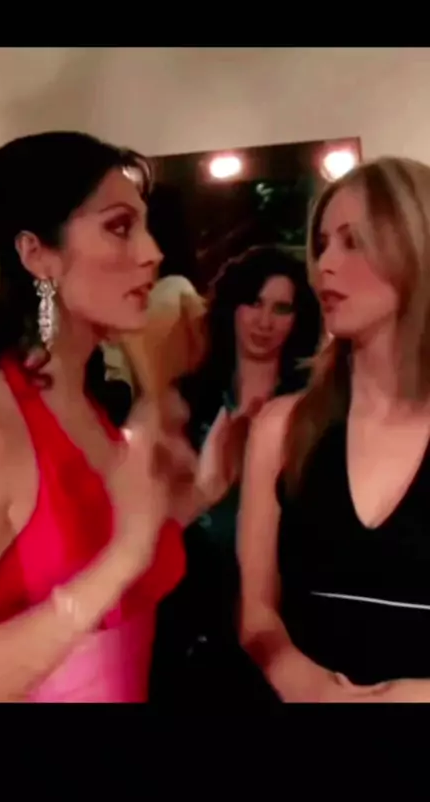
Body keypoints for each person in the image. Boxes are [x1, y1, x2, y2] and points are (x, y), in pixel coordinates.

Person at [0, 131, 196, 703]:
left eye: (145, 226)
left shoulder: (87, 405)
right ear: (37, 254)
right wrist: (123, 557)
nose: (153, 252)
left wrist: (187, 501)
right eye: (120, 227)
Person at [239, 156, 430, 703]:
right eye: (322, 244)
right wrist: (305, 683)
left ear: (415, 250)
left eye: (353, 242)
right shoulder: (281, 429)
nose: (324, 264)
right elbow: (256, 613)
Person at [150, 244, 320, 706]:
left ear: (300, 319)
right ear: (232, 307)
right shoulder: (185, 399)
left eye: (281, 308)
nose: (264, 322)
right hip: (187, 610)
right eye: (254, 302)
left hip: (281, 615)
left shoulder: (313, 410)